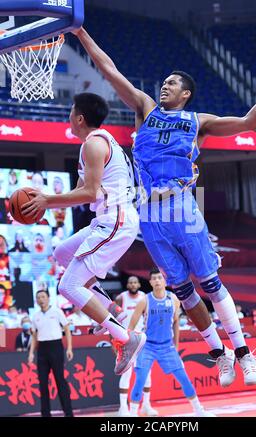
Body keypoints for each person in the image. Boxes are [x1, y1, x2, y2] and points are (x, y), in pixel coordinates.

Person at [74, 28, 256, 386]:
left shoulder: (198, 122)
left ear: (185, 93)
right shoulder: (144, 107)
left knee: (210, 281)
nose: (165, 85)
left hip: (183, 206)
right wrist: (80, 32)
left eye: (173, 83)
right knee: (183, 291)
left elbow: (250, 123)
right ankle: (220, 355)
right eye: (165, 81)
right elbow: (108, 68)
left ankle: (243, 353)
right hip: (149, 215)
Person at [22, 92, 146, 376]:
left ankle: (125, 336)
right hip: (109, 219)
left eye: (70, 111)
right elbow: (82, 192)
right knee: (61, 253)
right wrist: (46, 198)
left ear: (79, 118)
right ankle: (110, 309)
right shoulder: (95, 142)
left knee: (68, 286)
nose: (67, 116)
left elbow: (89, 193)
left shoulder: (93, 144)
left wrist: (46, 201)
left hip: (116, 219)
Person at [128, 268, 215, 417]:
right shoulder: (144, 301)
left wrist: (176, 345)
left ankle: (199, 411)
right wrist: (130, 345)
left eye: (159, 278)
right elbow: (131, 327)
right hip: (148, 346)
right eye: (154, 278)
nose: (156, 280)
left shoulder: (174, 299)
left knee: (184, 379)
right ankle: (132, 414)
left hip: (167, 346)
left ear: (164, 281)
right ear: (150, 282)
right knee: (140, 379)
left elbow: (175, 322)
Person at [114, 276, 157, 417]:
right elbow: (112, 319)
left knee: (147, 374)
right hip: (125, 341)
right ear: (127, 284)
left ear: (139, 284)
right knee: (126, 374)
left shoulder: (144, 297)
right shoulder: (121, 298)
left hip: (142, 340)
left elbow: (148, 318)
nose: (132, 284)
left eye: (135, 282)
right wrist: (113, 341)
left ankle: (146, 406)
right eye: (130, 282)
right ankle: (123, 409)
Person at [28, 289, 73, 417]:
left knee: (60, 380)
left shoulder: (57, 312)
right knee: (42, 383)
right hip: (42, 349)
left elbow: (67, 329)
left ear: (48, 298)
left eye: (43, 296)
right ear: (36, 301)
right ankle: (45, 414)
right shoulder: (35, 316)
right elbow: (34, 336)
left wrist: (69, 348)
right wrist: (31, 353)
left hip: (56, 347)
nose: (41, 299)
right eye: (38, 297)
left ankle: (68, 413)